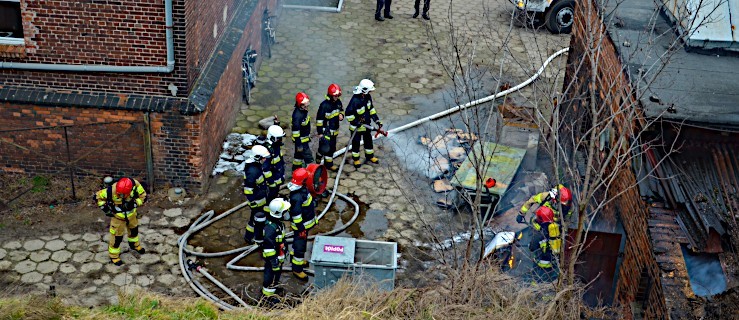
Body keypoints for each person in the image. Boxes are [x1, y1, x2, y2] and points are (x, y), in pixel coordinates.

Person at [95, 177, 147, 266]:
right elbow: (97, 197)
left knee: (134, 231)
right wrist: (107, 210)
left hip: (132, 215)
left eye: (123, 195)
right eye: (119, 194)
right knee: (116, 237)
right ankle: (114, 256)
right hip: (118, 217)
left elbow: (143, 196)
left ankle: (134, 245)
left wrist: (134, 203)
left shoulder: (135, 185)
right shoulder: (110, 191)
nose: (120, 196)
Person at [287, 168, 317, 281]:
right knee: (300, 247)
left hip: (304, 224)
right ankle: (297, 269)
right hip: (301, 226)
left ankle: (296, 259)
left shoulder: (301, 190)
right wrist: (301, 229)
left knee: (298, 244)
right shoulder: (297, 197)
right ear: (303, 181)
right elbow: (296, 215)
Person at [345, 79, 383, 168]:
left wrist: (377, 120)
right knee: (356, 144)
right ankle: (356, 160)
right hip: (356, 128)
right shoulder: (355, 101)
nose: (371, 92)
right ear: (364, 90)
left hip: (367, 126)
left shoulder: (368, 97)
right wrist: (355, 122)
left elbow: (371, 110)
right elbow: (348, 114)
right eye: (369, 90)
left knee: (368, 142)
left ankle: (370, 156)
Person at [262, 198, 290, 301]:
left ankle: (274, 289)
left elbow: (280, 240)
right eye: (285, 211)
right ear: (280, 213)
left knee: (276, 276)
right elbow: (268, 248)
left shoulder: (278, 224)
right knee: (270, 277)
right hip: (272, 260)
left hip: (278, 256)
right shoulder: (271, 228)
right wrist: (274, 263)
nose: (287, 213)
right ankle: (268, 297)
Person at [243, 145, 271, 245]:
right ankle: (249, 237)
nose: (264, 160)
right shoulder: (252, 171)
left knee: (258, 219)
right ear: (257, 157)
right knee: (255, 220)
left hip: (260, 197)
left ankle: (254, 235)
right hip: (256, 201)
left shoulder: (256, 166)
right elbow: (248, 190)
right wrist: (253, 202)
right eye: (263, 158)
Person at [527, 206, 561, 281]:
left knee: (537, 280)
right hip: (555, 263)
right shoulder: (556, 227)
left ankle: (534, 289)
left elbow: (532, 248)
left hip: (541, 264)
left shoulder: (539, 234)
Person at [316, 83, 344, 171]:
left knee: (332, 148)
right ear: (330, 95)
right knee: (325, 148)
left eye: (338, 95)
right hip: (326, 132)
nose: (337, 97)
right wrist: (320, 133)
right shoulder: (324, 105)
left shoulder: (338, 102)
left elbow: (342, 110)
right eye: (335, 96)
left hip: (334, 131)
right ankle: (319, 157)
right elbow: (319, 120)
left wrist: (341, 115)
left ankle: (328, 165)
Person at [262, 125, 286, 202]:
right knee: (270, 195)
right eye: (278, 138)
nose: (280, 140)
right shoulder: (268, 151)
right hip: (272, 180)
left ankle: (275, 197)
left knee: (275, 192)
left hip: (278, 174)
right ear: (272, 138)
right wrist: (271, 183)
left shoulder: (276, 145)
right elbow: (265, 170)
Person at [291, 92, 314, 171]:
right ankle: (312, 175)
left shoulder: (303, 111)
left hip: (303, 139)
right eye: (304, 105)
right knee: (309, 158)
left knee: (298, 157)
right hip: (301, 141)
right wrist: (299, 145)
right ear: (299, 105)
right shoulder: (297, 116)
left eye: (307, 104)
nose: (307, 106)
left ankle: (296, 170)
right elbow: (295, 132)